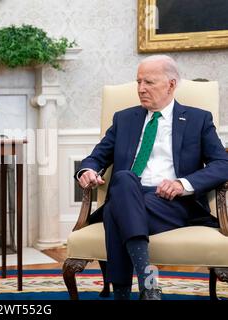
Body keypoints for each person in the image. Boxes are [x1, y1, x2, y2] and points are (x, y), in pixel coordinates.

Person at [75, 55, 228, 300]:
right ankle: (148, 287)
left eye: (149, 82)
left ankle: (122, 295)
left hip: (173, 203)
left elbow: (223, 164)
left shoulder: (198, 119)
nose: (141, 89)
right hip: (130, 192)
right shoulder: (124, 119)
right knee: (125, 179)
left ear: (171, 84)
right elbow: (96, 156)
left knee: (117, 210)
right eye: (138, 82)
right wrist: (87, 171)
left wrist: (182, 184)